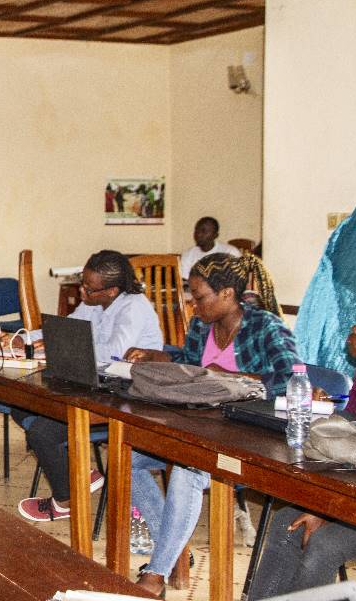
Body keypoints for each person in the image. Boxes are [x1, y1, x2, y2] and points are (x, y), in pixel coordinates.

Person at [124, 253, 299, 597]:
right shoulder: (202, 327)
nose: (193, 304)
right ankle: (173, 552)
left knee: (189, 470)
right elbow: (190, 370)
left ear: (227, 294)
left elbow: (292, 379)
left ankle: (155, 575)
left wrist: (234, 379)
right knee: (127, 459)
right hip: (200, 428)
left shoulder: (266, 327)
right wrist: (162, 358)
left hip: (248, 438)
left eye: (199, 296)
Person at [246, 287, 356, 599]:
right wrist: (329, 409)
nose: (354, 329)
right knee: (286, 522)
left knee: (325, 541)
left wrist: (331, 509)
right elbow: (354, 430)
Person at [15, 250, 163, 522]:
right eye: (82, 283)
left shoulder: (134, 307)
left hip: (128, 393)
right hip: (94, 383)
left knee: (42, 433)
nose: (82, 291)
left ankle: (66, 499)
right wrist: (21, 339)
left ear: (112, 290)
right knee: (20, 402)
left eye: (89, 288)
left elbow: (116, 352)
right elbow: (66, 328)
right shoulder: (93, 303)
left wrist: (63, 346)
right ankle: (80, 474)